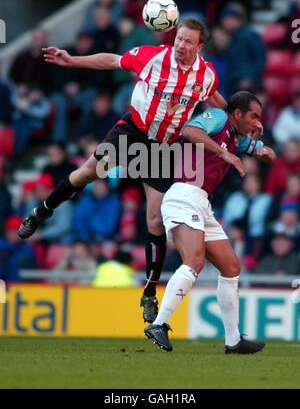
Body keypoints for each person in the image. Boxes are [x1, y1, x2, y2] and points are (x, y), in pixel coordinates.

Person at [18, 19, 230, 323]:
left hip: (162, 148)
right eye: (179, 39)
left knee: (156, 220)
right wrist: (73, 60)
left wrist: (236, 120)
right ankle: (42, 211)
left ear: (200, 47)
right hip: (132, 133)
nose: (181, 46)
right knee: (85, 174)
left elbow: (217, 103)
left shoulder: (205, 76)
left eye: (188, 42)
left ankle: (149, 292)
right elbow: (114, 61)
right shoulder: (153, 57)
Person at [144, 92, 276, 353]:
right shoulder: (218, 118)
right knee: (194, 261)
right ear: (237, 113)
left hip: (202, 202)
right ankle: (159, 324)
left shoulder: (235, 139)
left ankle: (233, 340)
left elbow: (268, 156)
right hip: (183, 194)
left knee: (231, 267)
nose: (256, 121)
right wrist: (225, 155)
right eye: (253, 116)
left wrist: (260, 147)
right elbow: (190, 131)